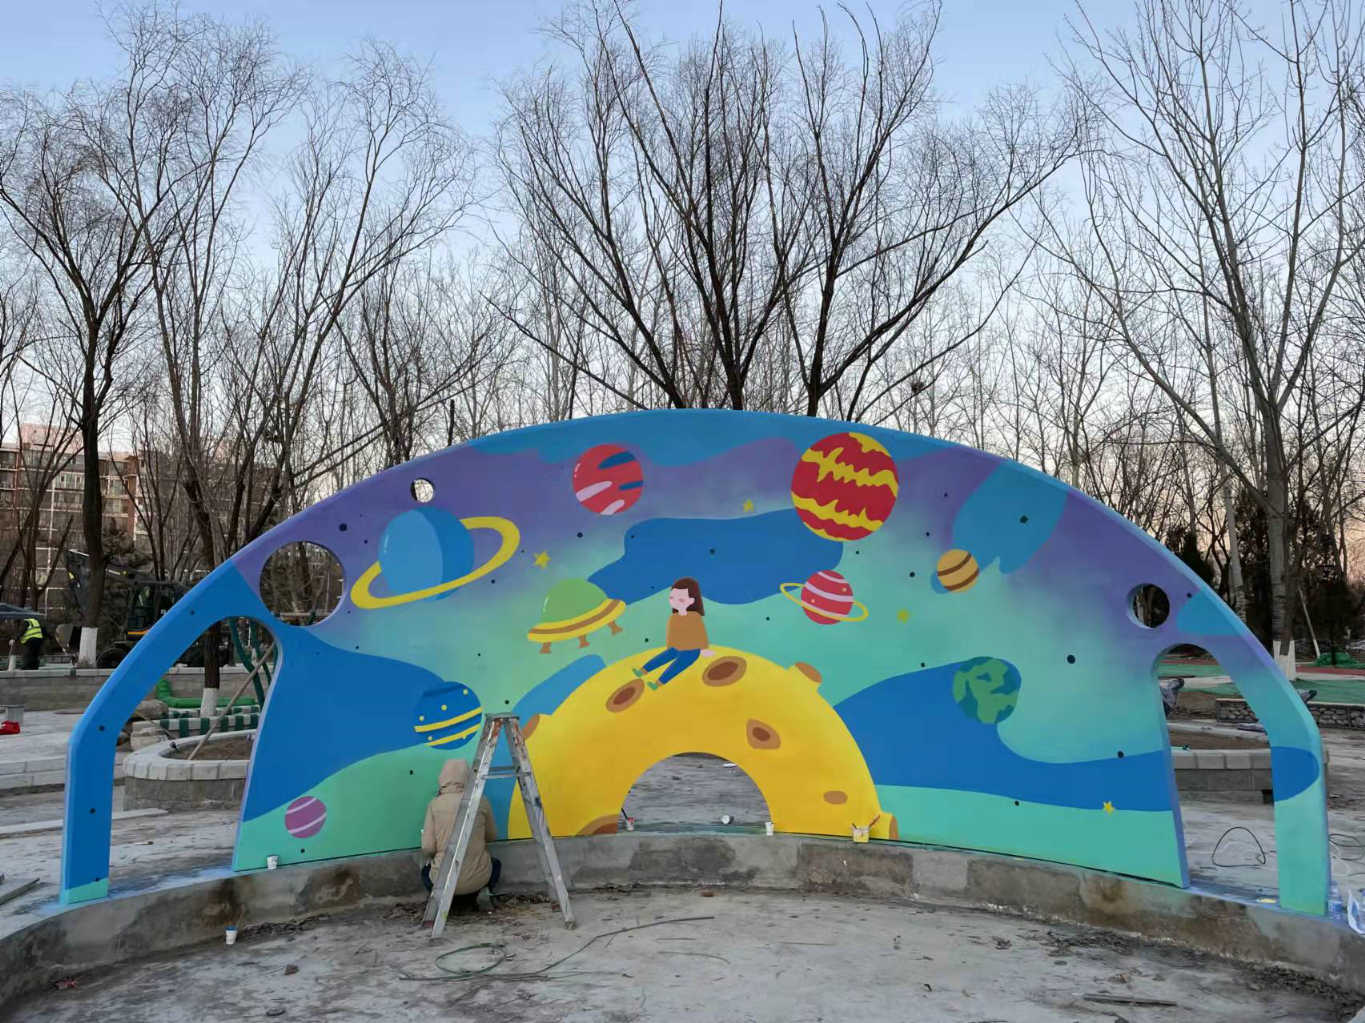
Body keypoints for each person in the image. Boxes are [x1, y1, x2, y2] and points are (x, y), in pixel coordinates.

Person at [420, 759, 500, 909]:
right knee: (496, 864)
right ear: (468, 777)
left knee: (425, 872)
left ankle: (442, 901)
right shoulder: (481, 801)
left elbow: (428, 847)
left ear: (442, 778)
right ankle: (483, 893)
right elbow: (492, 836)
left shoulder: (434, 804)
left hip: (443, 881)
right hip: (478, 880)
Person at [634, 576, 715, 691]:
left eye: (681, 600)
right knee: (663, 657)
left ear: (691, 601)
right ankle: (643, 670)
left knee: (676, 666)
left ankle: (658, 683)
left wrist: (703, 649)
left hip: (691, 651)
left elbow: (700, 633)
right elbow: (671, 633)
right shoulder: (674, 617)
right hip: (677, 646)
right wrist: (670, 646)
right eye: (672, 598)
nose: (675, 602)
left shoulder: (694, 617)